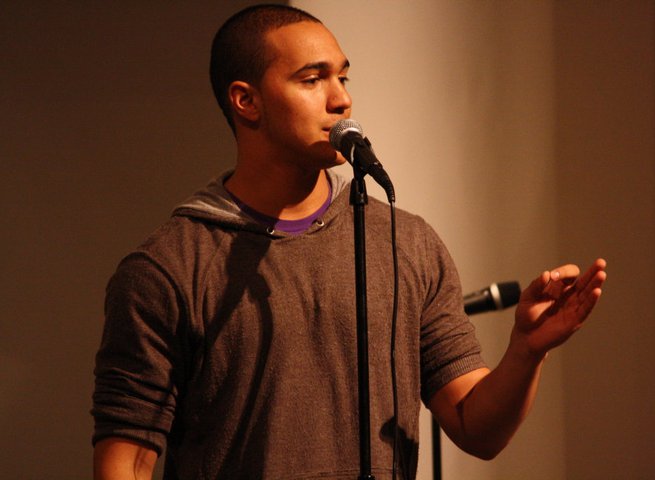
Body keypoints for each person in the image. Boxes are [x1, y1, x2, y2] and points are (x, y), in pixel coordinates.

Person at [91, 4, 607, 480]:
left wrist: (525, 352)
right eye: (312, 79)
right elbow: (127, 462)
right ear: (246, 101)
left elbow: (477, 428)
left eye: (342, 76)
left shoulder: (406, 243)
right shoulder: (168, 268)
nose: (342, 98)